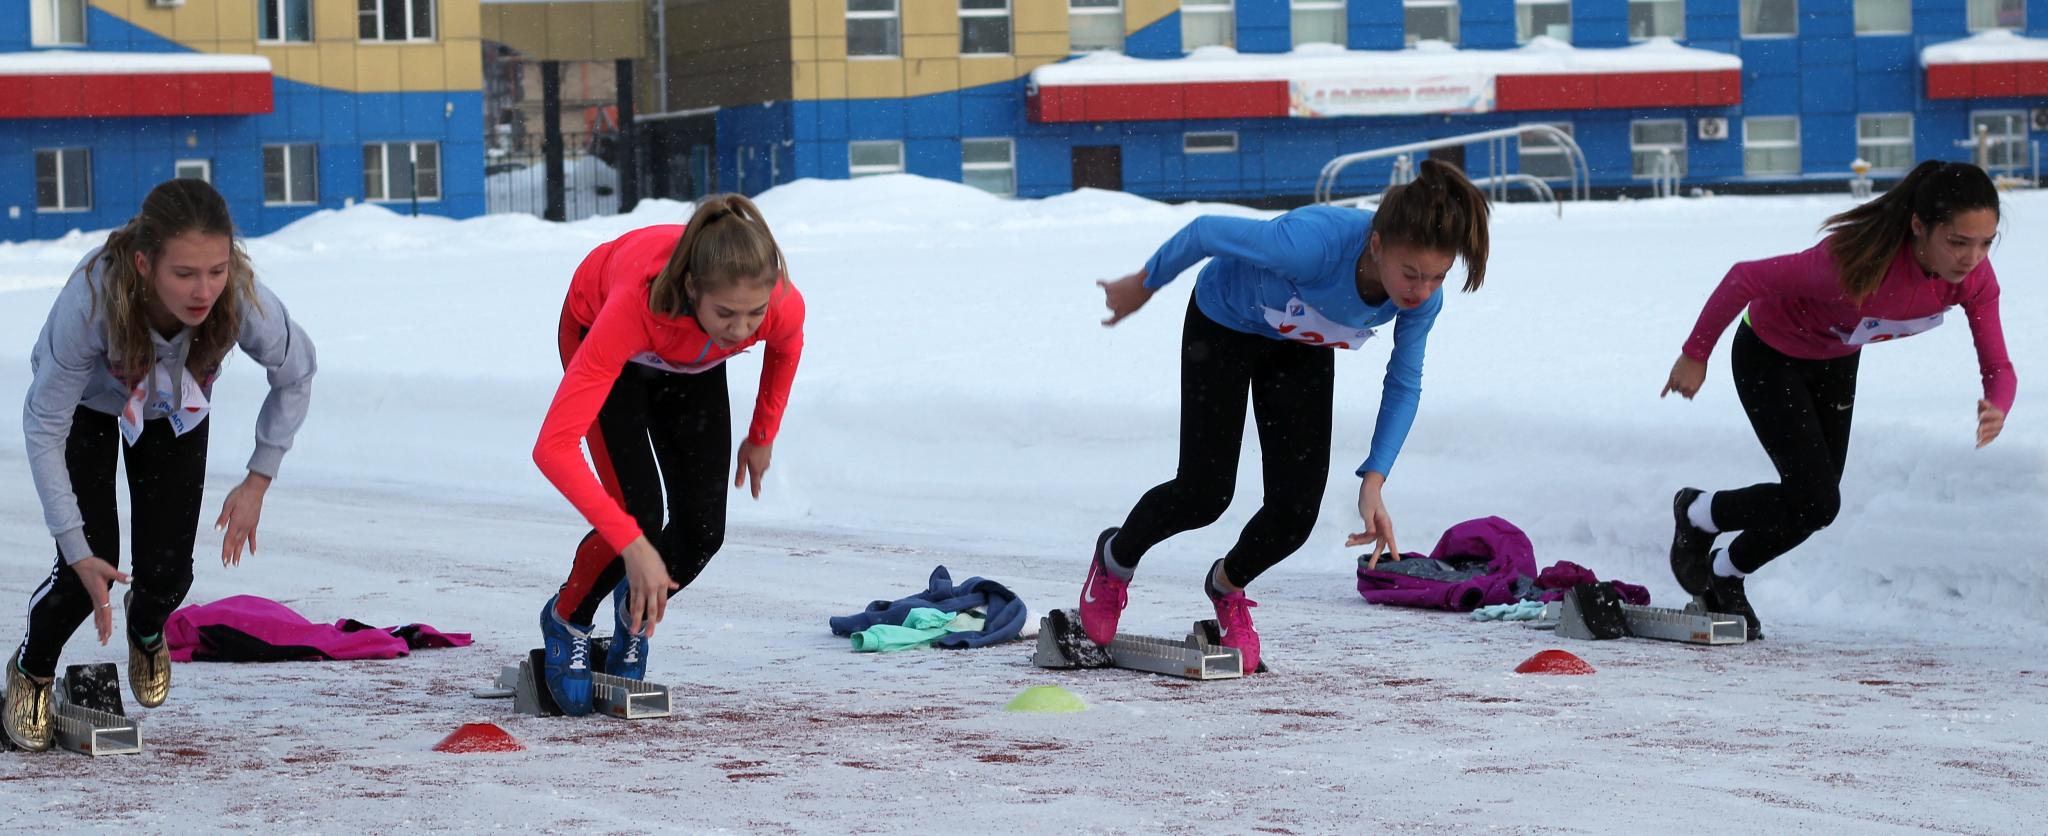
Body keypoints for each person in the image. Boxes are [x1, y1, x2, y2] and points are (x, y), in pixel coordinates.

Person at [1080, 160, 1491, 672]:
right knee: (1204, 493)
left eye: (1437, 277)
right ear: (1377, 244)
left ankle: (1226, 586)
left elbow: (1404, 381)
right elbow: (1206, 231)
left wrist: (1374, 479)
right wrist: (1144, 284)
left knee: (1295, 514)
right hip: (1224, 323)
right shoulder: (1310, 244)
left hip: (1298, 345)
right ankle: (1115, 560)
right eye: (1410, 274)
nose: (1420, 291)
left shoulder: (1422, 298)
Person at [7, 179, 317, 751]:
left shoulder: (240, 297)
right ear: (146, 264)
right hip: (87, 409)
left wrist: (258, 477)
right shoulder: (91, 300)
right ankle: (32, 670)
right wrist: (76, 546)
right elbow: (43, 425)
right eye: (185, 274)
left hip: (173, 409)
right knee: (86, 575)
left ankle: (145, 628)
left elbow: (297, 371)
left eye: (217, 269)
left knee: (169, 574)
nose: (204, 290)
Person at [1662, 160, 2016, 640]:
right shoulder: (1848, 263)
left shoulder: (1973, 280)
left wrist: (1998, 403)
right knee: (1815, 499)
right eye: (1958, 242)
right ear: (1919, 227)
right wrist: (1694, 354)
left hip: (1835, 362)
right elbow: (1744, 278)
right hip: (1769, 355)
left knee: (1815, 506)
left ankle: (1725, 574)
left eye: (1985, 243)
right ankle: (1698, 513)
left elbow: (1999, 367)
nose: (1972, 258)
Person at [532, 194, 804, 714]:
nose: (743, 329)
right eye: (726, 313)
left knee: (703, 533)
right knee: (637, 515)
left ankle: (633, 615)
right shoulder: (634, 303)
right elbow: (552, 448)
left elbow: (786, 345)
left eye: (755, 314)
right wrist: (634, 545)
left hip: (692, 363)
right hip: (608, 339)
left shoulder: (774, 304)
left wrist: (762, 433)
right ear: (691, 289)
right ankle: (568, 617)